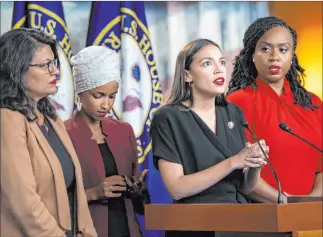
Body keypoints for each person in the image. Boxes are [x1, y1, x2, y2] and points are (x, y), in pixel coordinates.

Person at [150, 39, 269, 237]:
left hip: (238, 221)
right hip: (195, 225)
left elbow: (245, 187)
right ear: (187, 75)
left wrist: (254, 163)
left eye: (222, 62)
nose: (218, 70)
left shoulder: (233, 112)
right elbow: (177, 188)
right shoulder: (168, 117)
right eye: (207, 63)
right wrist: (233, 162)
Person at [0, 28, 97, 236]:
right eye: (46, 65)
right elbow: (25, 204)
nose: (55, 71)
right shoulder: (7, 120)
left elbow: (76, 195)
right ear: (16, 69)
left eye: (55, 63)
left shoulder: (52, 119)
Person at [227, 16, 322, 203]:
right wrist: (285, 203)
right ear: (252, 55)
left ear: (292, 56)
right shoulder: (236, 103)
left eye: (283, 49)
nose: (274, 57)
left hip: (310, 218)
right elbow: (239, 173)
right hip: (260, 218)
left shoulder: (313, 103)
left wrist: (310, 202)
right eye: (265, 49)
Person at [64, 46, 150, 237]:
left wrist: (138, 192)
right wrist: (93, 193)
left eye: (112, 96)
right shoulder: (63, 134)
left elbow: (142, 208)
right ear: (80, 91)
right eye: (98, 95)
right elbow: (51, 200)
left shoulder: (124, 131)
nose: (106, 104)